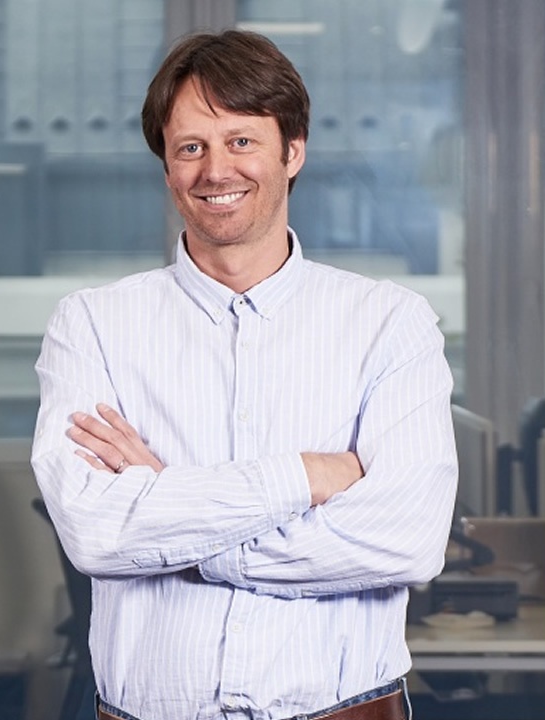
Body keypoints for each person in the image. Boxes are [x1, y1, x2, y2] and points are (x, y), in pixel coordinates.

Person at [31, 29, 458, 720]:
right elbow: (94, 530)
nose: (215, 170)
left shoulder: (390, 324)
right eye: (190, 148)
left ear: (293, 152)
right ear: (167, 167)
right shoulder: (91, 326)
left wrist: (176, 524)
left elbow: (406, 541)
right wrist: (303, 477)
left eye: (241, 141)